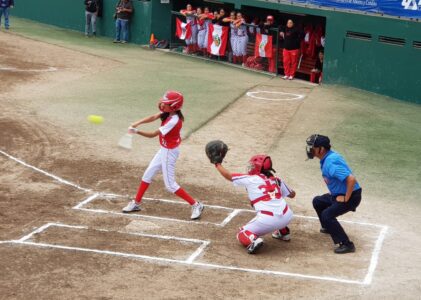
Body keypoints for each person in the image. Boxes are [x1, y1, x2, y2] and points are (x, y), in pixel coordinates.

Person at [122, 91, 204, 220]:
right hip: (164, 150)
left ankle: (196, 204)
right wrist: (137, 122)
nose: (162, 105)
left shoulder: (173, 120)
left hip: (169, 152)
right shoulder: (168, 113)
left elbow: (153, 135)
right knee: (148, 174)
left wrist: (136, 131)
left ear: (174, 106)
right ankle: (136, 203)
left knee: (170, 185)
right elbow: (153, 117)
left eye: (166, 104)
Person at [213, 155, 295, 254]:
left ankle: (254, 240)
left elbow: (229, 176)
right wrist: (275, 191)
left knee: (242, 233)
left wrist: (217, 164)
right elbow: (292, 194)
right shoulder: (277, 180)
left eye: (252, 166)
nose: (250, 168)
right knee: (277, 206)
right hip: (288, 216)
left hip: (268, 220)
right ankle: (284, 232)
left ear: (258, 168)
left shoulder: (251, 179)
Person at [306, 134, 362, 254]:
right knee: (318, 201)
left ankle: (346, 244)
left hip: (351, 195)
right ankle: (328, 227)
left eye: (313, 147)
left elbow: (351, 179)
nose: (310, 150)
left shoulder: (330, 163)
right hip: (339, 194)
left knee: (327, 215)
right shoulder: (328, 157)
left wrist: (346, 198)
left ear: (321, 149)